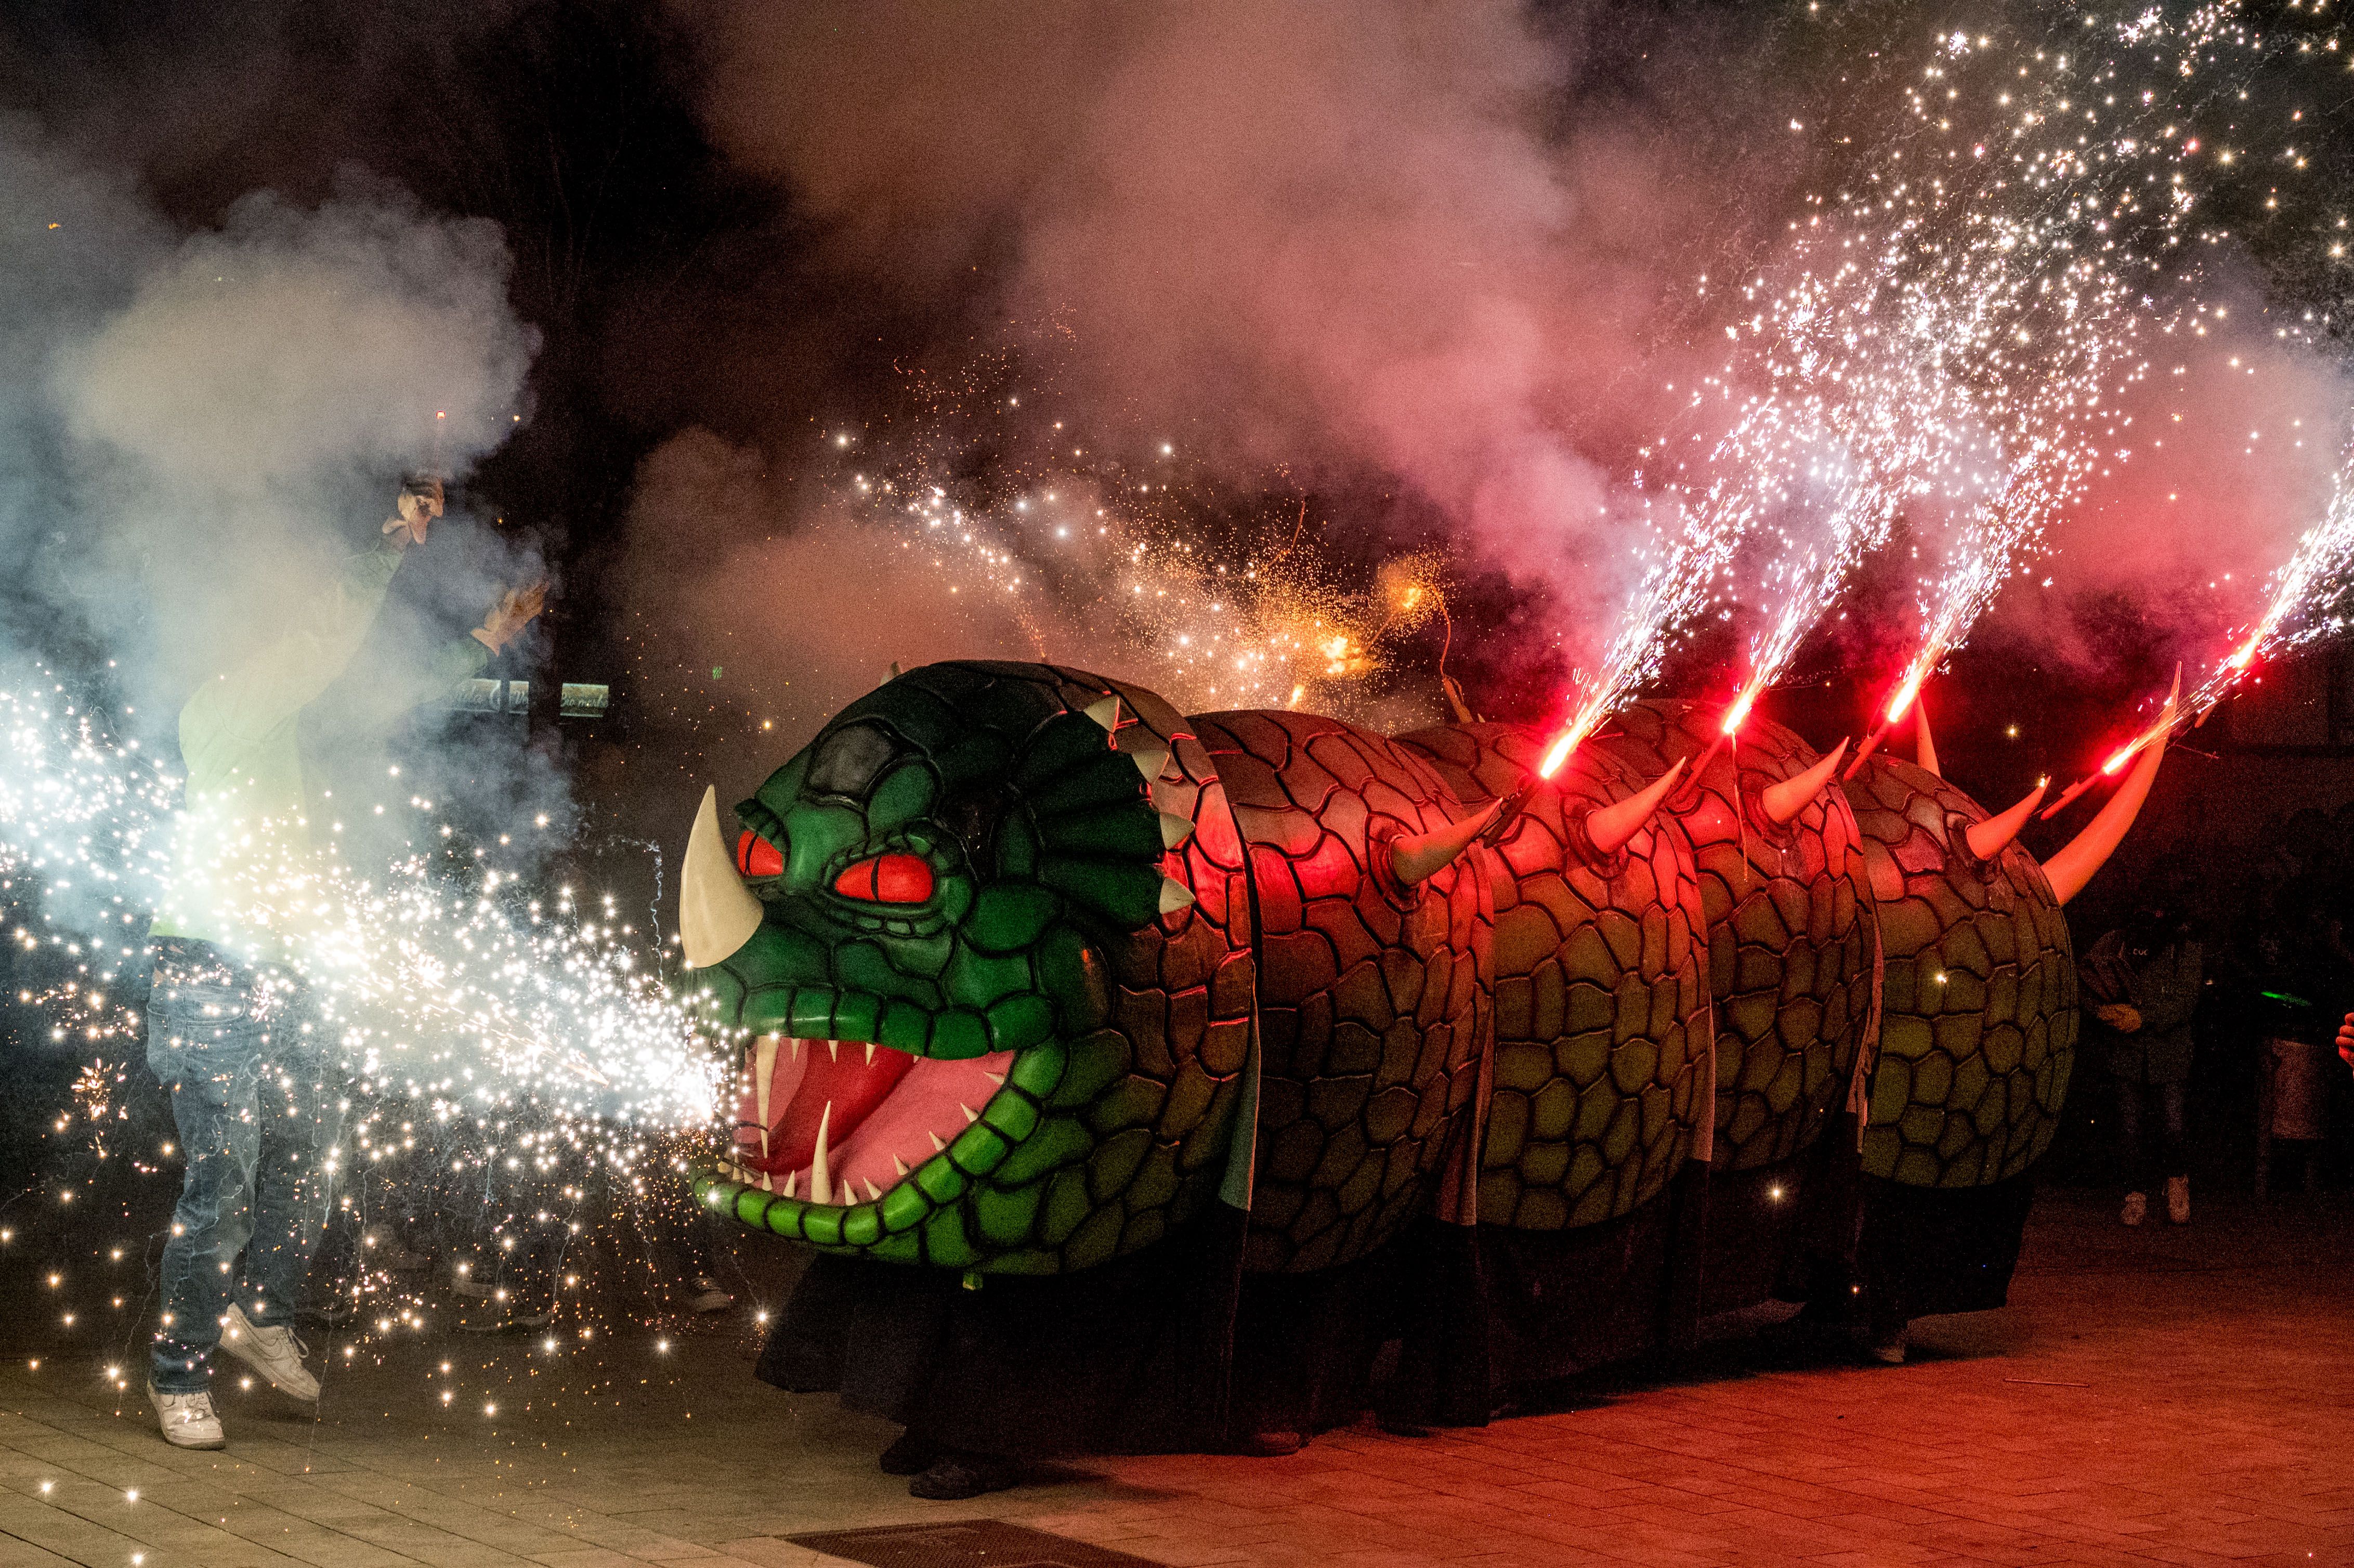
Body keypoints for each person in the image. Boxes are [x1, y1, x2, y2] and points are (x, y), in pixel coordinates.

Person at [145, 478, 544, 1449]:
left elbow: (381, 687)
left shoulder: (291, 718)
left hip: (293, 969)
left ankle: (264, 1317)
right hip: (209, 971)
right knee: (224, 1185)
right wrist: (386, 549)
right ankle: (177, 1371)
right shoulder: (225, 706)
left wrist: (485, 644)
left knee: (310, 1163)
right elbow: (326, 645)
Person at [2079, 898, 2204, 1227]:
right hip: (2127, 1055)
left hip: (2169, 1054)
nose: (2152, 914)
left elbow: (2186, 999)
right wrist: (2100, 1012)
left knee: (2174, 1126)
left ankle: (2177, 1183)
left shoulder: (2184, 948)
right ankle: (2135, 1195)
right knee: (2130, 1129)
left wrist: (2144, 1017)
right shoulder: (2115, 941)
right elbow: (2086, 980)